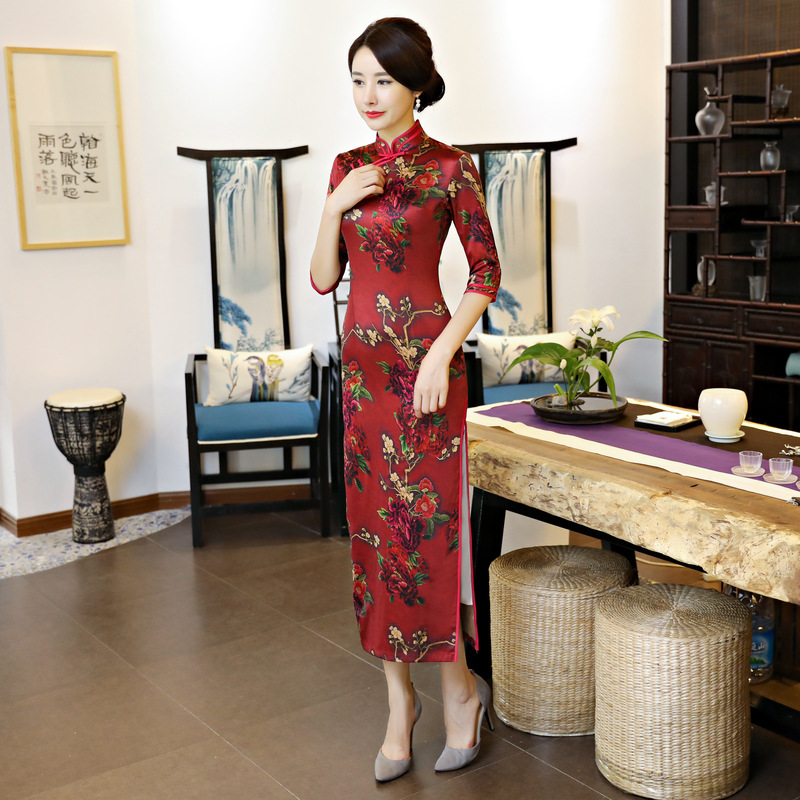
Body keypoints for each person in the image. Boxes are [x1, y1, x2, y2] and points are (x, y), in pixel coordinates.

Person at [310, 17, 501, 782]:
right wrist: (334, 207)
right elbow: (324, 279)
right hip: (364, 378)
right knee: (375, 540)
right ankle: (400, 704)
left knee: (430, 536)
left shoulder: (452, 167)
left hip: (428, 373)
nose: (368, 95)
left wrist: (443, 352)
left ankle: (460, 691)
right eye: (357, 80)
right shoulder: (346, 167)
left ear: (416, 84)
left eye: (383, 80)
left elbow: (485, 272)